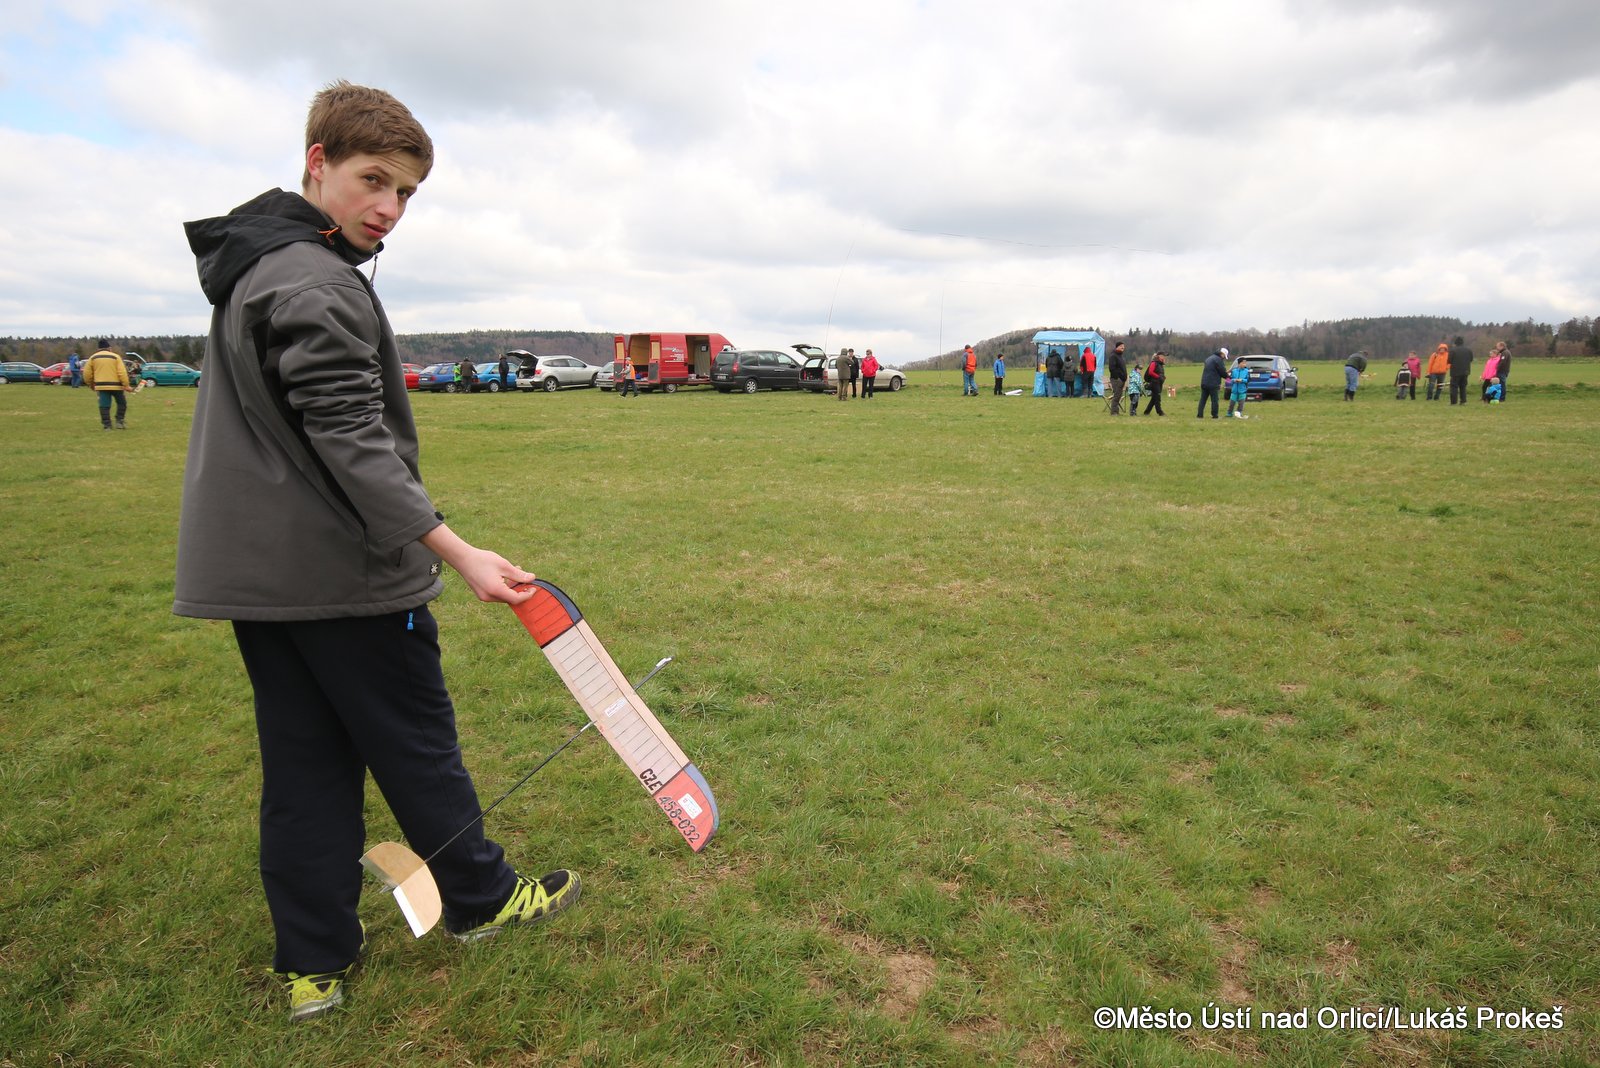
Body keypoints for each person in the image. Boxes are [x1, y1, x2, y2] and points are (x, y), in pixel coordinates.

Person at [177, 81, 578, 1024]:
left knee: (304, 765)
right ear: (316, 162)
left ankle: (312, 963)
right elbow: (352, 438)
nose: (389, 209)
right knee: (417, 747)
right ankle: (481, 899)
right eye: (373, 181)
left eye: (406, 193)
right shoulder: (315, 280)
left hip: (265, 582)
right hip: (347, 576)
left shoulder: (259, 262)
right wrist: (458, 550)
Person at [84, 339, 132, 429]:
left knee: (104, 405)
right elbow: (122, 372)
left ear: (98, 349)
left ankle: (107, 425)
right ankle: (119, 421)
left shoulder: (93, 358)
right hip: (117, 386)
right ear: (109, 348)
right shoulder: (116, 357)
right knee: (122, 403)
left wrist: (90, 383)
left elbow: (87, 373)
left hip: (101, 386)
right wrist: (126, 385)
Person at [1197, 347, 1227, 419]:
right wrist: (1229, 378)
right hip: (1213, 383)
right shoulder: (1219, 360)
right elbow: (1222, 372)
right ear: (1222, 354)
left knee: (1203, 399)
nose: (1224, 358)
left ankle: (1199, 415)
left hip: (1204, 382)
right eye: (1224, 356)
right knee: (1214, 400)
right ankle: (1215, 415)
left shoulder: (1209, 358)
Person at [1447, 336, 1473, 405]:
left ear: (1455, 343)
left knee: (1454, 387)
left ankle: (1453, 402)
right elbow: (1471, 359)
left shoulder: (1452, 350)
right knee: (1463, 386)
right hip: (1466, 371)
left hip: (1455, 371)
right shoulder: (1468, 350)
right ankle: (1463, 401)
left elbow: (1449, 361)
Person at [1106, 341, 1128, 415]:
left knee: (1119, 396)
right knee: (1116, 395)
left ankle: (1116, 411)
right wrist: (1118, 377)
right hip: (1116, 379)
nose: (1123, 347)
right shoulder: (1113, 356)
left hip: (1122, 379)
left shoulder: (1120, 356)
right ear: (1117, 347)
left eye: (1123, 346)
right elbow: (1112, 368)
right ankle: (1114, 412)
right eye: (1121, 346)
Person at [1142, 352, 1167, 416]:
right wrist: (1158, 377)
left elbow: (1159, 373)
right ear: (1159, 356)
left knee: (1154, 399)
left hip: (1158, 383)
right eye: (1163, 356)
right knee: (1157, 398)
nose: (1164, 357)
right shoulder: (1154, 363)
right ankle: (1160, 412)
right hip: (1154, 383)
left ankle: (1146, 412)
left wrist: (1163, 377)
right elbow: (1150, 372)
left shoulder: (1160, 364)